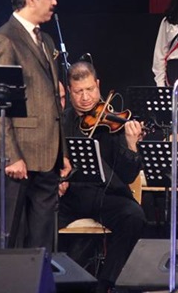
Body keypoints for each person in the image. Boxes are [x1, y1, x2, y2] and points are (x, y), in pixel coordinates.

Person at [0, 0, 69, 250]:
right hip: (18, 158)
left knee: (42, 242)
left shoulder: (45, 40)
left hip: (47, 157)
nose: (54, 2)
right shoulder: (4, 40)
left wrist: (62, 152)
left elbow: (53, 100)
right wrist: (10, 156)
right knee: (6, 238)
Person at [58, 61, 145, 293]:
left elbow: (128, 175)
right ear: (69, 90)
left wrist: (132, 145)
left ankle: (107, 284)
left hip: (104, 196)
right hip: (69, 196)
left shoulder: (114, 123)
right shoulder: (61, 121)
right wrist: (57, 178)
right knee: (37, 214)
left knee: (133, 216)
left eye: (90, 89)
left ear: (98, 85)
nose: (86, 97)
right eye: (79, 91)